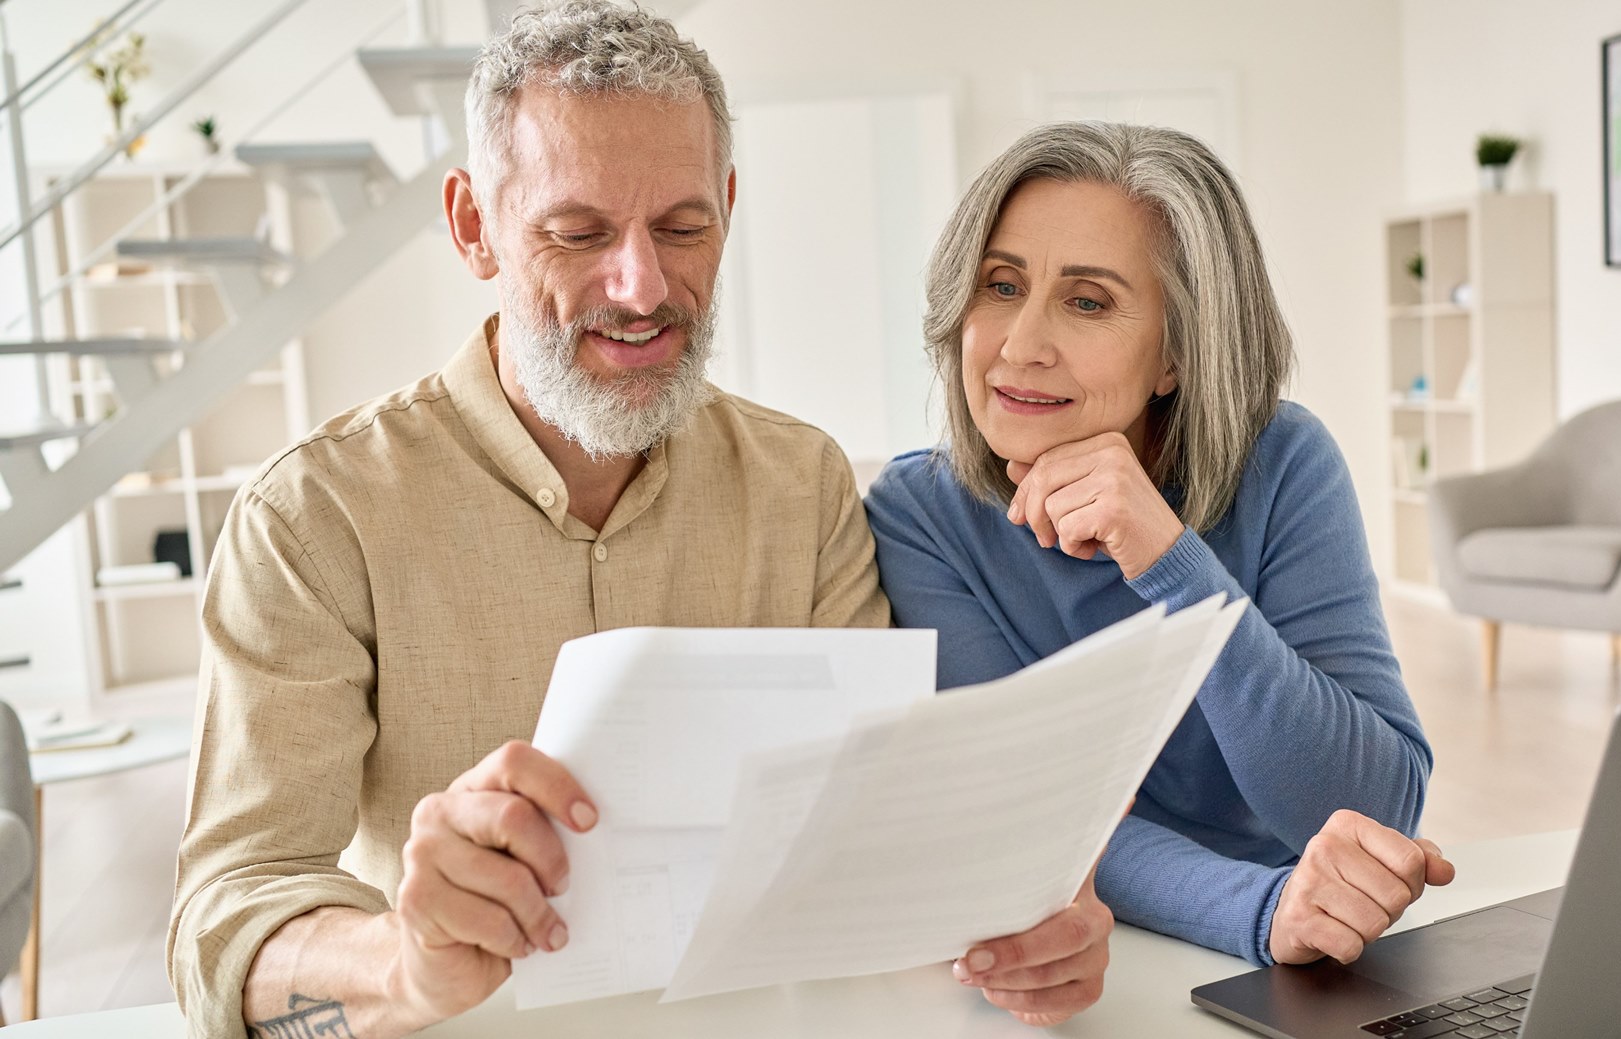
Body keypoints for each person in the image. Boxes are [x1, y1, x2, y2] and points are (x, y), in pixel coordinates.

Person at [168, 5, 1107, 1037]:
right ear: (474, 226)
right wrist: (402, 964)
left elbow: (873, 830)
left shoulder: (803, 484)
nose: (643, 286)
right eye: (578, 233)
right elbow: (229, 917)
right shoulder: (315, 515)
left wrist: (1021, 911)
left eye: (682, 227)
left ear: (729, 209)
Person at [865, 121, 1455, 973]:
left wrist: (1173, 564)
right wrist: (1260, 909)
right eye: (1000, 286)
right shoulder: (919, 514)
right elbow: (1030, 810)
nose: (1020, 345)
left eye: (1087, 301)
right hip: (1083, 948)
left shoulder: (1285, 462)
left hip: (1299, 949)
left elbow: (1376, 809)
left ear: (1176, 352)